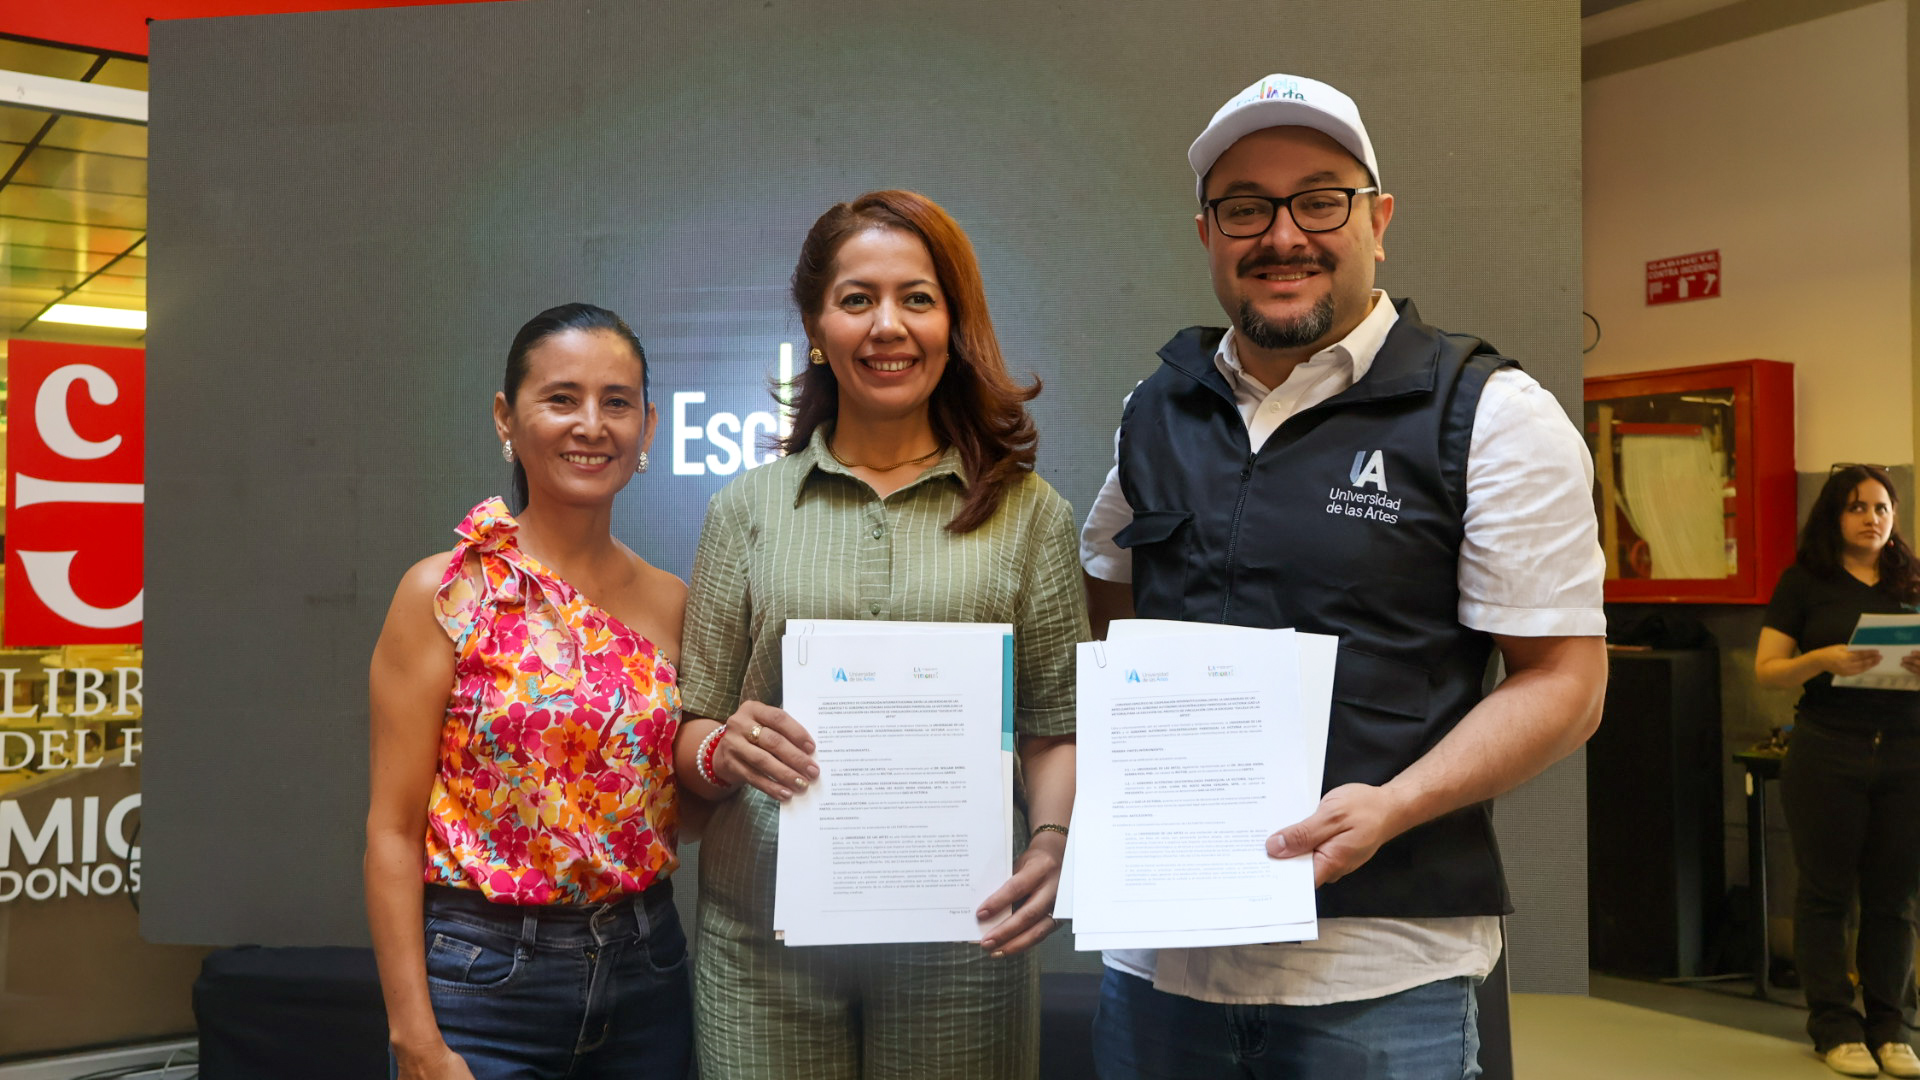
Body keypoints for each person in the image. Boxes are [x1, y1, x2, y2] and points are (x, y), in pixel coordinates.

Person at [1078, 74, 1607, 1078]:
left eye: (1320, 201)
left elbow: (1567, 683)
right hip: (1161, 966)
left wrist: (1394, 805)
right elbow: (1111, 596)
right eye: (1245, 208)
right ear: (1207, 234)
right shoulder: (1156, 409)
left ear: (1379, 220)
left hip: (1379, 974)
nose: (1283, 236)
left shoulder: (1490, 413)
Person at [672, 189, 1087, 1080]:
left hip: (965, 942)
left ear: (953, 324)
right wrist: (720, 748)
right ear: (816, 328)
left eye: (917, 299)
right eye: (857, 299)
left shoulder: (1030, 515)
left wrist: (1053, 843)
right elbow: (690, 726)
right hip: (763, 942)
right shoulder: (745, 509)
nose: (887, 326)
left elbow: (1057, 724)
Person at [364, 303, 692, 1080]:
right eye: (562, 398)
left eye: (617, 402)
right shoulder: (446, 593)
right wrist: (415, 1039)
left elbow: (678, 808)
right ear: (506, 418)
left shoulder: (672, 601)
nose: (592, 425)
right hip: (483, 982)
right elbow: (392, 831)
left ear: (647, 427)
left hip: (647, 973)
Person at [1757, 464, 1920, 1079]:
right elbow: (1768, 669)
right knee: (1826, 893)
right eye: (1857, 507)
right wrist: (1821, 659)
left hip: (1908, 752)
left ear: (1894, 516)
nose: (1872, 518)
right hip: (1829, 750)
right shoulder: (1805, 582)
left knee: (1895, 897)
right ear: (1834, 515)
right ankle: (1834, 1025)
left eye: (1881, 507)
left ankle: (1891, 1027)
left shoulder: (1913, 579)